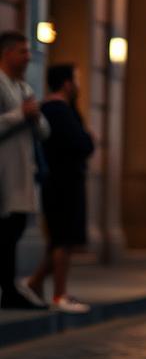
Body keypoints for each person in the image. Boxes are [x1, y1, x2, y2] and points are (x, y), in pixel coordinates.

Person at [22, 63, 95, 312]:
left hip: (61, 181)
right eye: (76, 79)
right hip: (63, 182)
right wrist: (88, 140)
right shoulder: (58, 111)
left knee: (59, 240)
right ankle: (58, 294)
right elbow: (82, 143)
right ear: (66, 83)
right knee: (62, 240)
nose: (78, 85)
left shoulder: (54, 109)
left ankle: (34, 283)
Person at [0, 31, 51, 311]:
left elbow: (43, 131)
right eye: (22, 51)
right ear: (6, 53)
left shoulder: (23, 88)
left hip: (22, 172)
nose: (28, 57)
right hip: (4, 171)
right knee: (6, 231)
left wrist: (34, 117)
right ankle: (8, 288)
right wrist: (20, 115)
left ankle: (9, 287)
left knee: (14, 229)